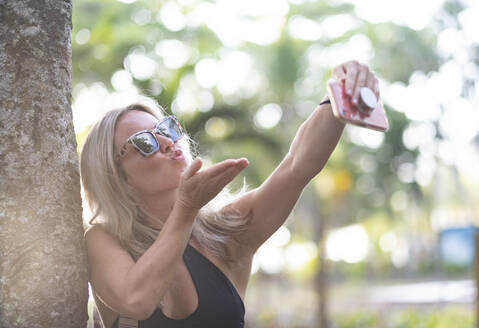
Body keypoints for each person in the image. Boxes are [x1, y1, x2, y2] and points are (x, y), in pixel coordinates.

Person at [81, 60, 380, 328]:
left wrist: (338, 98)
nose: (168, 143)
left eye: (166, 129)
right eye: (145, 142)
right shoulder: (104, 240)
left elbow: (297, 166)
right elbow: (137, 300)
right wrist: (185, 209)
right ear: (115, 175)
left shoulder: (225, 231)